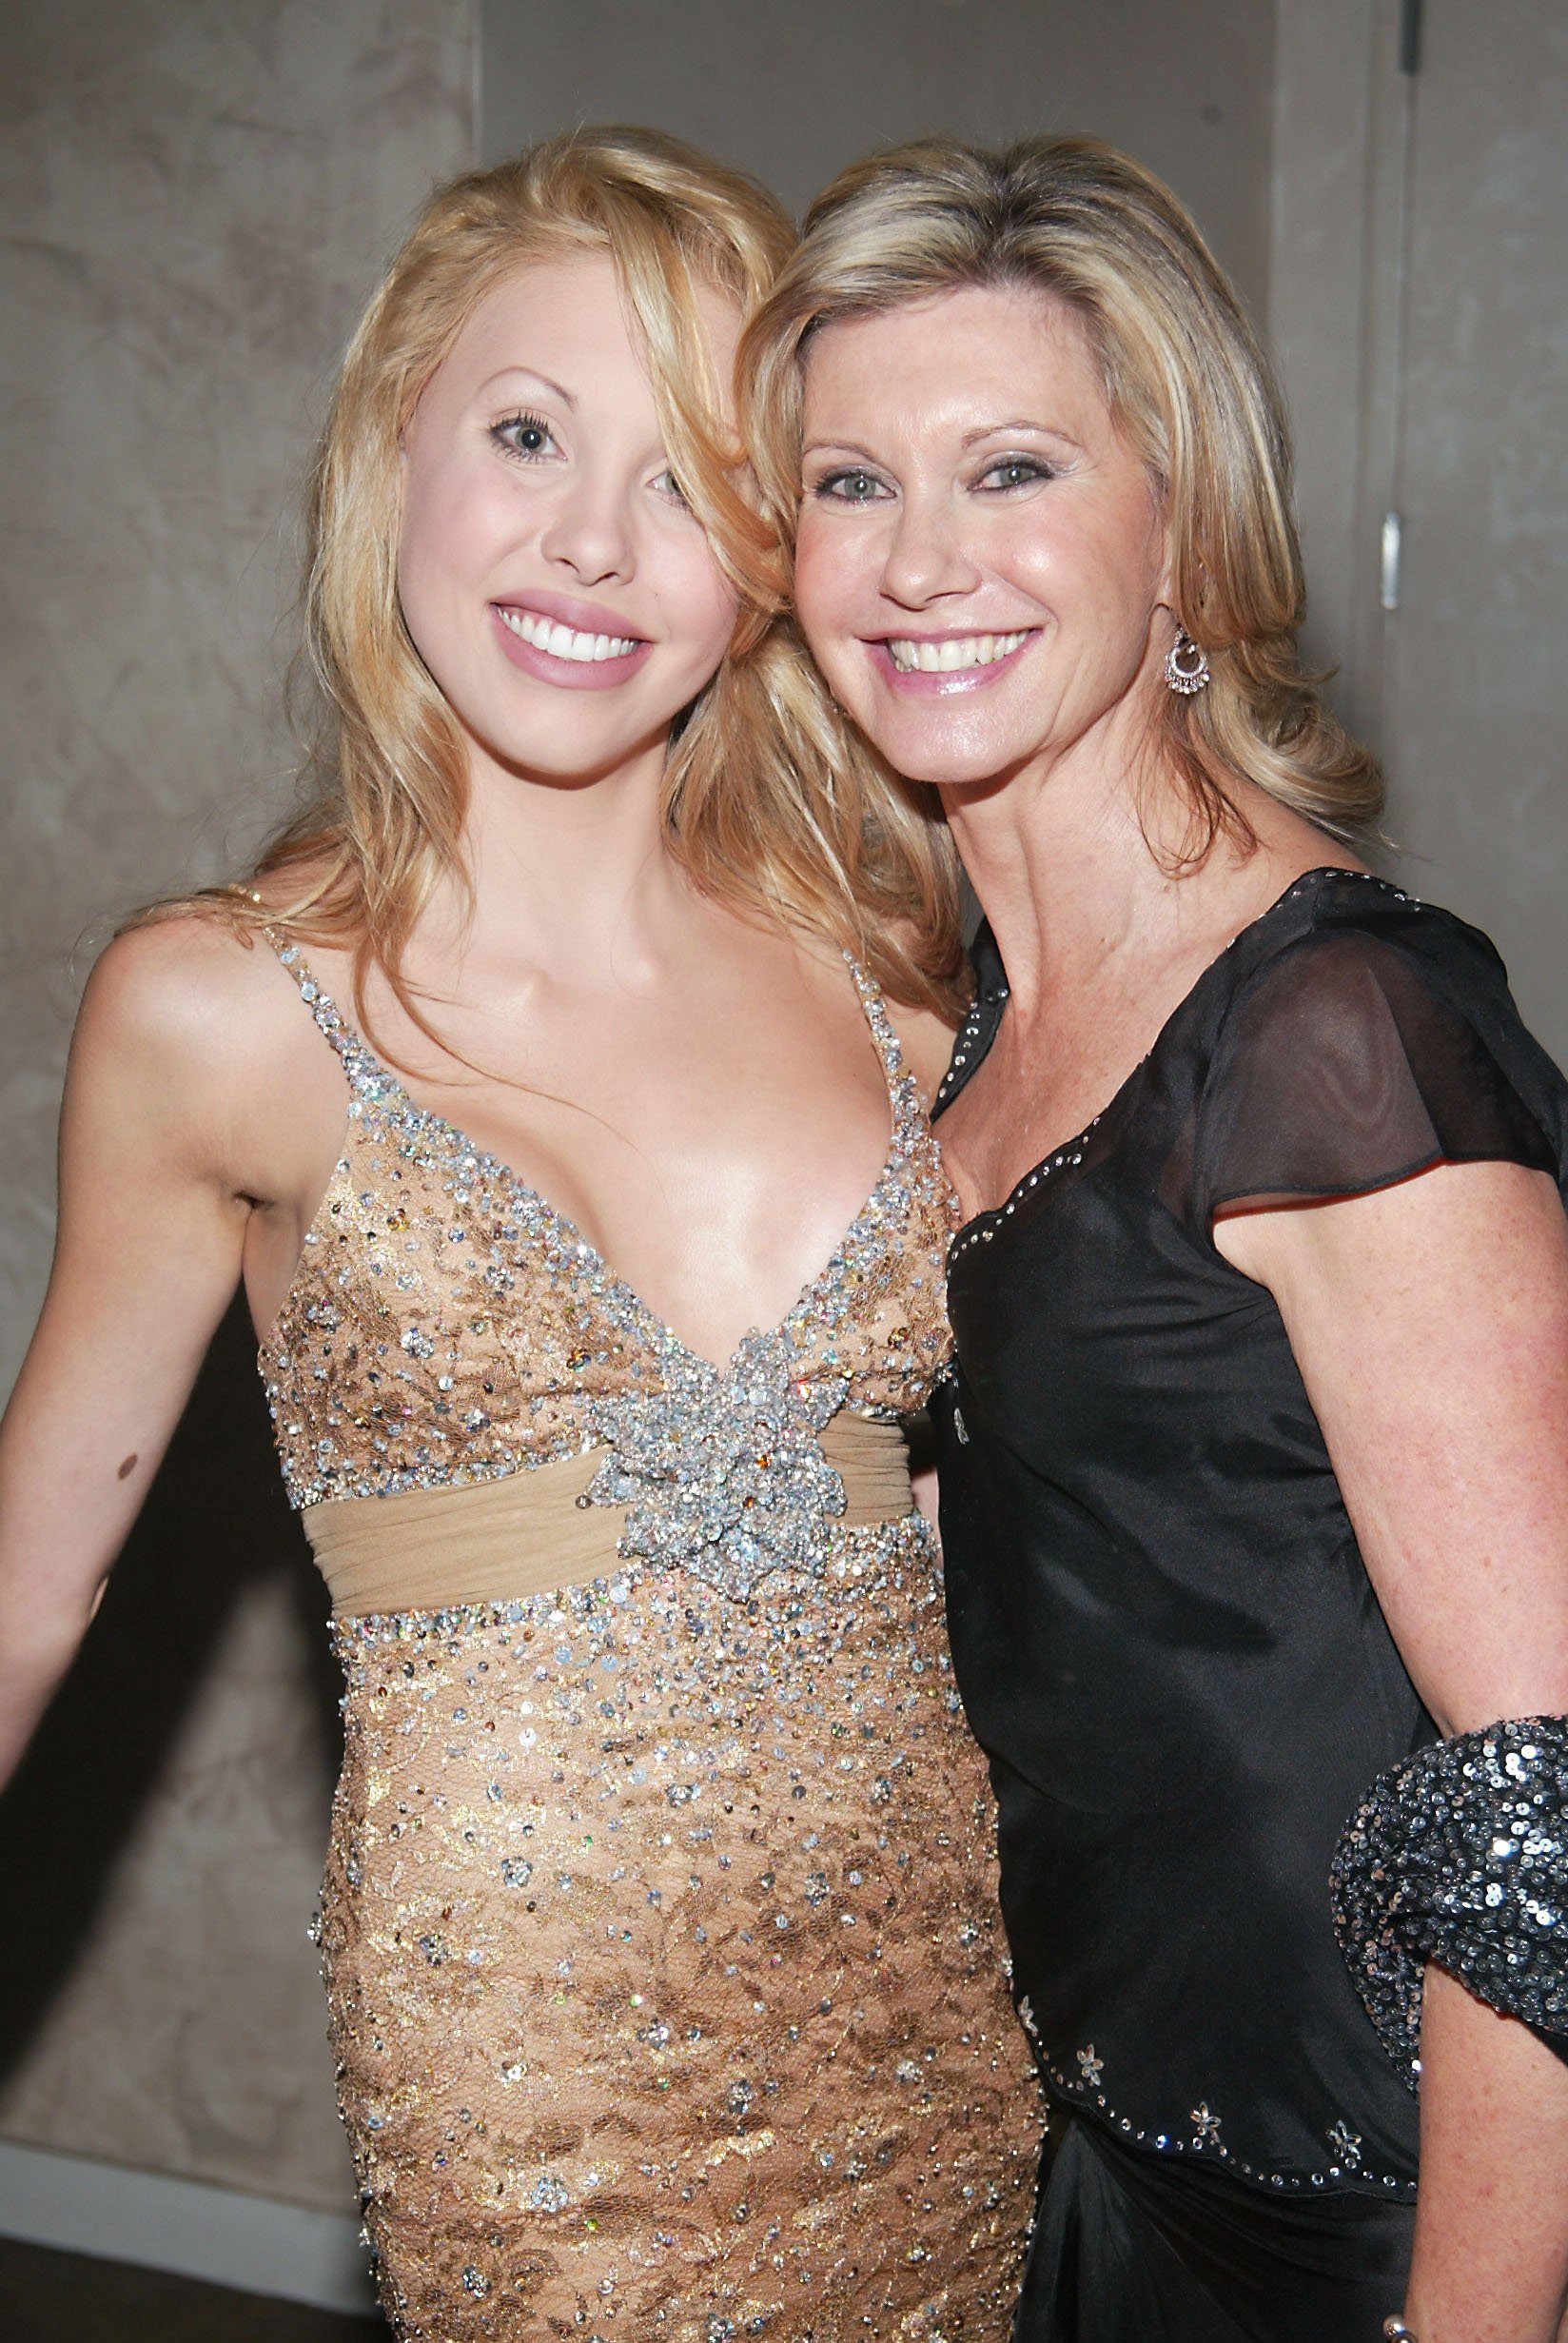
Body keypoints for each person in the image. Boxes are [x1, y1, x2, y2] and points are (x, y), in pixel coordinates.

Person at [0, 129, 1042, 2339]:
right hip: (536, 2052)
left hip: (947, 1999)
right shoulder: (218, 1010)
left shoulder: (902, 977)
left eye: (686, 479)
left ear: (765, 563)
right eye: (528, 431)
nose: (594, 537)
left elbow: (992, 1533)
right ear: (399, 455)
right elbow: (24, 1597)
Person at [739, 134, 1568, 2343]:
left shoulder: (1331, 1029)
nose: (916, 563)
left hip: (1367, 2222)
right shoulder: (971, 1032)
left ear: (1177, 520)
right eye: (846, 484)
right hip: (1102, 2161)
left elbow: (1545, 1800)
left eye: (1009, 468)